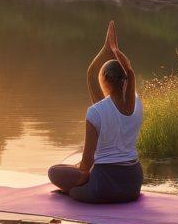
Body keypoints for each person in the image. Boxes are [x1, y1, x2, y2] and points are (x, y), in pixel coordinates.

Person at [48, 21, 143, 204]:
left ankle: (78, 188)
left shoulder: (95, 112)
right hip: (133, 185)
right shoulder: (137, 103)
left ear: (105, 79)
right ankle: (84, 180)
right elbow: (128, 72)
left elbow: (86, 163)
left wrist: (80, 173)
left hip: (103, 186)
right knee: (78, 171)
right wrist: (112, 49)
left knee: (55, 172)